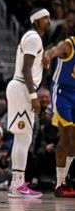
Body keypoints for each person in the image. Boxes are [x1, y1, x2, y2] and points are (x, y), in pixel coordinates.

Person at [6, 8, 49, 198]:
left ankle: (17, 183)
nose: (48, 21)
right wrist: (33, 96)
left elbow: (31, 64)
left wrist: (43, 60)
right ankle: (18, 185)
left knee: (21, 138)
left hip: (19, 87)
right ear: (36, 21)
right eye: (45, 18)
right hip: (23, 87)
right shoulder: (34, 38)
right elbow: (25, 69)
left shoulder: (31, 38)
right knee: (24, 138)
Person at [43, 35, 75, 197]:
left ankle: (66, 178)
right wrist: (47, 56)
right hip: (62, 94)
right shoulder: (68, 45)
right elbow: (53, 50)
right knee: (67, 135)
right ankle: (59, 184)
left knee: (74, 140)